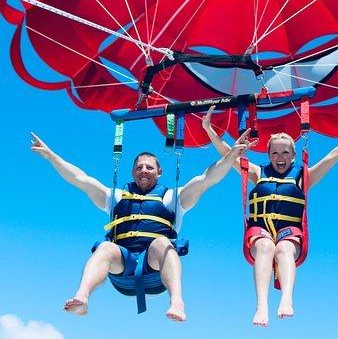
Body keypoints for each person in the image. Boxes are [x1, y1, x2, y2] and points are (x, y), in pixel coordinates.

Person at [30, 131, 252, 322]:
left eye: (149, 167)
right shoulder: (115, 197)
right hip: (122, 271)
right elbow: (80, 179)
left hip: (155, 273)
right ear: (133, 172)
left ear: (159, 172)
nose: (144, 170)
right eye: (139, 167)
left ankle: (177, 301)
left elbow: (206, 179)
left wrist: (232, 154)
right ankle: (82, 298)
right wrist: (51, 155)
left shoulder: (172, 198)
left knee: (162, 243)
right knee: (105, 248)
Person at [202, 107, 338, 327]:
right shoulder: (257, 173)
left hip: (289, 235)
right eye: (274, 153)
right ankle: (262, 304)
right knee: (265, 246)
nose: (279, 157)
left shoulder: (304, 177)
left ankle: (286, 298)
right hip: (260, 232)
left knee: (282, 249)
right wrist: (209, 130)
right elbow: (229, 155)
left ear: (293, 155)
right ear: (268, 155)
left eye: (284, 153)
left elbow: (334, 156)